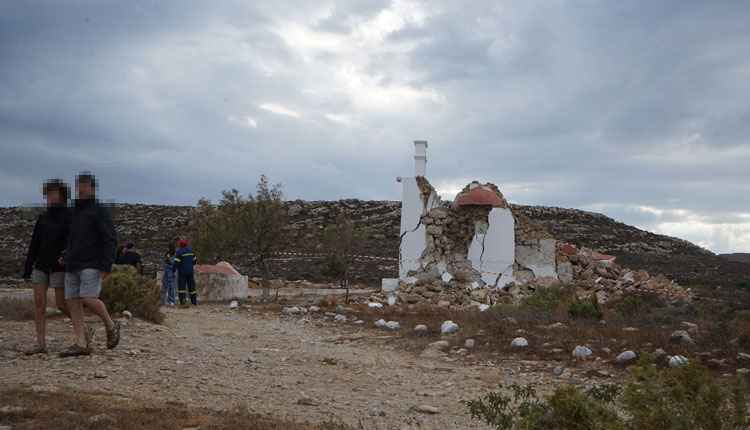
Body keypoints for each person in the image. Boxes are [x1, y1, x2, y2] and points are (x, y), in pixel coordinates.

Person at [22, 179, 94, 354]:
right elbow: (35, 243)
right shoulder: (43, 218)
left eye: (53, 193)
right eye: (48, 194)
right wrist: (28, 266)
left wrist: (66, 255)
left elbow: (74, 239)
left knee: (62, 304)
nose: (49, 197)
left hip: (59, 266)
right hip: (41, 265)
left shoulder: (70, 216)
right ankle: (40, 344)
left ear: (62, 195)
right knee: (39, 304)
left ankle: (84, 329)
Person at [59, 172, 121, 357]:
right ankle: (81, 343)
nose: (82, 188)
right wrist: (65, 254)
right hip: (72, 264)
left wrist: (106, 265)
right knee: (72, 303)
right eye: (79, 185)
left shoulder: (99, 210)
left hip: (92, 263)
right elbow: (71, 238)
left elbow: (110, 238)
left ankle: (111, 325)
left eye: (86, 185)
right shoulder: (73, 211)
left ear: (93, 188)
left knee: (88, 298)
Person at [173, 239, 198, 306]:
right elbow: (195, 261)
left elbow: (176, 263)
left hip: (182, 272)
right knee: (192, 287)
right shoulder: (191, 251)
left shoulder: (179, 252)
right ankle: (194, 302)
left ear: (180, 245)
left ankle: (182, 302)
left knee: (181, 288)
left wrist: (173, 270)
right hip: (190, 272)